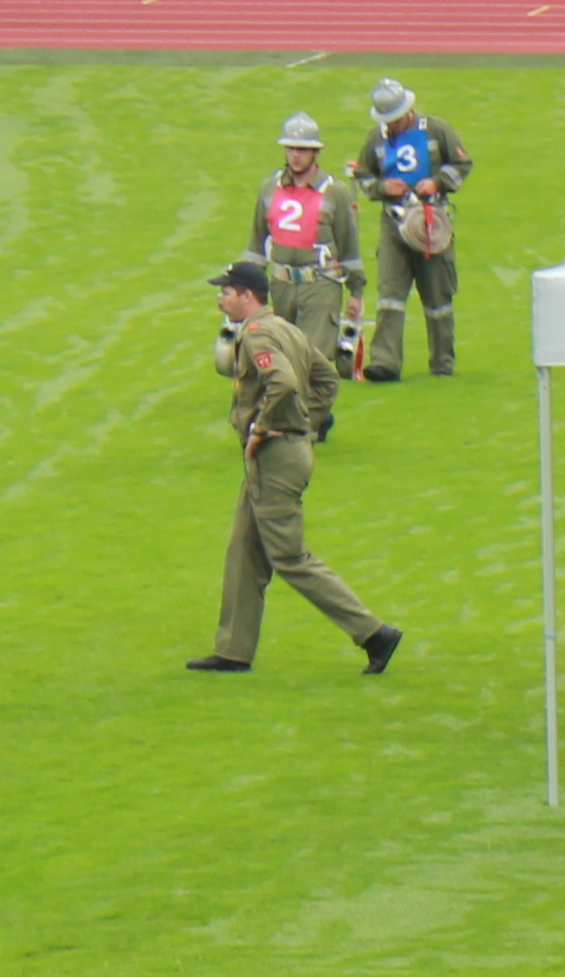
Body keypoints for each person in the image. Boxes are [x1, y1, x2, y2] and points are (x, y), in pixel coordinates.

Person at [188, 263, 398, 678]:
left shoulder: (258, 334)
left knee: (289, 557)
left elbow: (282, 383)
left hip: (275, 458)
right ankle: (232, 651)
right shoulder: (286, 328)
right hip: (281, 453)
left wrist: (267, 427)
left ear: (247, 295)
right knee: (244, 553)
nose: (220, 299)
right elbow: (326, 381)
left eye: (226, 292)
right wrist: (306, 423)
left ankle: (374, 633)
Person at [246, 117, 363, 433]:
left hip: (320, 285)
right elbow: (257, 242)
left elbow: (349, 245)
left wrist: (356, 292)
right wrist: (248, 290)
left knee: (312, 359)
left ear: (315, 153)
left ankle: (305, 426)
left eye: (303, 149)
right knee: (282, 357)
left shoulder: (334, 191)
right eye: (291, 149)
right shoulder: (269, 188)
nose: (296, 155)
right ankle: (303, 420)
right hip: (281, 285)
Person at [355, 77, 471, 382]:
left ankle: (442, 362)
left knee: (438, 296)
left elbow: (462, 164)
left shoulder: (436, 130)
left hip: (431, 223)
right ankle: (385, 362)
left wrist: (437, 182)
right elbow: (363, 175)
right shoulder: (375, 139)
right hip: (393, 224)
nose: (392, 125)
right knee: (390, 295)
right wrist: (382, 188)